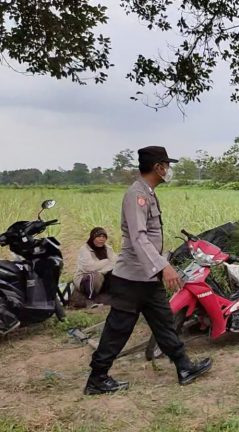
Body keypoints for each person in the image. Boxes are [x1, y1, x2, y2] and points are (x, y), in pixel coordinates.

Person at [84, 146, 212, 395]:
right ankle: (97, 377)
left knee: (164, 323)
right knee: (118, 328)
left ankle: (184, 367)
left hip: (147, 277)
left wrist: (159, 267)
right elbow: (138, 237)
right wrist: (164, 266)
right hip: (132, 277)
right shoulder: (136, 195)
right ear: (158, 167)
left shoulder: (148, 193)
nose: (169, 170)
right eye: (167, 165)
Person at [71, 227, 116, 308]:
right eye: (99, 237)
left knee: (115, 273)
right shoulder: (85, 249)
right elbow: (88, 267)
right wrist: (106, 261)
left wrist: (101, 268)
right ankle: (90, 301)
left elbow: (114, 263)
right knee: (95, 276)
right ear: (93, 237)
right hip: (84, 278)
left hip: (102, 275)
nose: (101, 239)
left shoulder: (108, 249)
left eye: (104, 237)